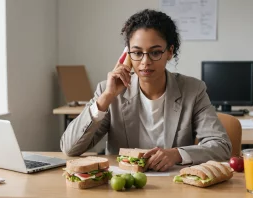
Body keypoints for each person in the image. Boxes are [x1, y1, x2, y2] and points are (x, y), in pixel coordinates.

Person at [60, 9, 231, 172]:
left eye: (155, 52)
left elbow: (221, 146)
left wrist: (177, 154)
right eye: (137, 52)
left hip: (174, 186)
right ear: (127, 55)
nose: (145, 62)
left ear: (170, 52)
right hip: (124, 185)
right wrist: (106, 97)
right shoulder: (108, 91)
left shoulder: (193, 90)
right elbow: (70, 148)